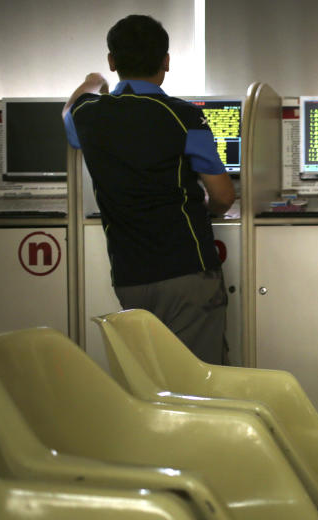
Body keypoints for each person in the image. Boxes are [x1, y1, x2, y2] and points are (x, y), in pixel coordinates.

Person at [62, 14, 235, 364]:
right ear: (166, 61)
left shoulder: (89, 114)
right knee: (198, 377)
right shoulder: (183, 115)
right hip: (187, 270)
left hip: (130, 275)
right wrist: (209, 208)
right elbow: (223, 196)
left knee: (150, 377)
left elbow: (68, 109)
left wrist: (92, 80)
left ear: (112, 61)